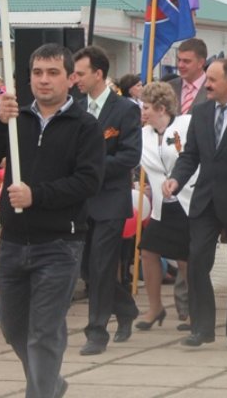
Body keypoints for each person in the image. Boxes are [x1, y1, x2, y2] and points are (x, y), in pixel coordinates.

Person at [0, 43, 105, 398]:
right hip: (14, 242)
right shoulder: (16, 119)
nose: (44, 81)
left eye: (53, 73)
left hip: (60, 244)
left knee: (44, 331)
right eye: (37, 73)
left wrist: (37, 195)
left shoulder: (85, 126)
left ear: (71, 79)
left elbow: (88, 181)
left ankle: (40, 391)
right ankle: (48, 383)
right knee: (14, 329)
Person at [163, 59, 227, 352]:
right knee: (196, 261)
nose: (206, 85)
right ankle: (202, 328)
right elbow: (190, 154)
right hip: (206, 199)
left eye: (212, 80)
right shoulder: (202, 111)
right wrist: (175, 181)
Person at [72, 46, 142, 355]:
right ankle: (125, 308)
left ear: (98, 74)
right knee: (88, 269)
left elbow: (130, 155)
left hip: (111, 200)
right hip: (80, 201)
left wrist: (93, 168)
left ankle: (96, 332)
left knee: (102, 266)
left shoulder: (125, 109)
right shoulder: (74, 107)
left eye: (81, 73)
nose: (76, 79)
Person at [137, 82, 197, 332]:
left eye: (147, 107)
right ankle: (155, 307)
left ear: (162, 108)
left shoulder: (186, 125)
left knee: (185, 261)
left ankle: (196, 311)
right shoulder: (143, 135)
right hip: (162, 207)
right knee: (148, 252)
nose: (143, 112)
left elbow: (192, 157)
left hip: (187, 203)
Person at [169, 38, 209, 115]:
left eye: (186, 61)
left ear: (201, 63)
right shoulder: (169, 87)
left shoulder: (214, 89)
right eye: (179, 60)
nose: (180, 65)